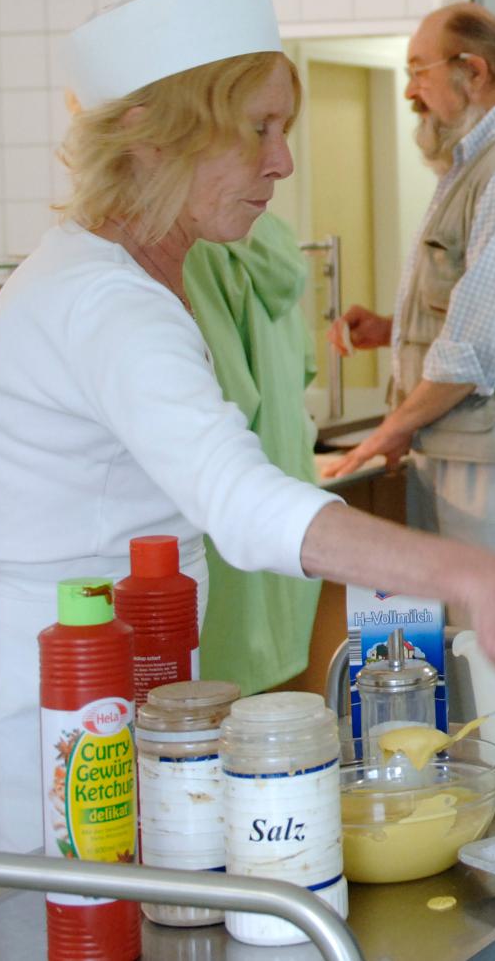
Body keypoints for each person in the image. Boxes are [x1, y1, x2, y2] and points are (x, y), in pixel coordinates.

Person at [0, 0, 495, 852]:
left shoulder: (129, 279)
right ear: (153, 136)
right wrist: (476, 575)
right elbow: (243, 505)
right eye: (257, 130)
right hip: (49, 708)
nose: (281, 161)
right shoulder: (104, 303)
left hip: (111, 684)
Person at [328, 4, 495, 595]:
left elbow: (476, 348)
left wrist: (391, 427)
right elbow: (481, 309)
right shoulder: (471, 164)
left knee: (493, 644)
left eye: (420, 70)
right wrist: (393, 328)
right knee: (460, 641)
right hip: (458, 445)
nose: (410, 91)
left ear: (473, 70)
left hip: (494, 455)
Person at [181, 210, 324, 695]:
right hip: (287, 508)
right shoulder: (272, 238)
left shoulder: (195, 251)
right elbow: (306, 366)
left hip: (231, 543)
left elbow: (217, 397)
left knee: (215, 729)